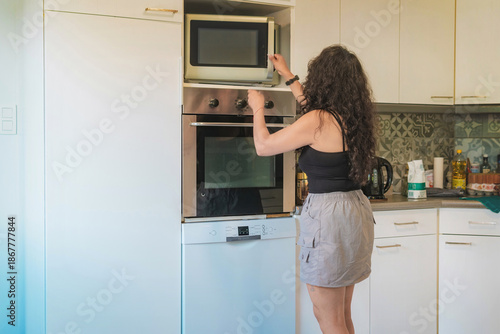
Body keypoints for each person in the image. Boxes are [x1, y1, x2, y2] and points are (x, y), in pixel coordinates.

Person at [247, 45, 376, 334]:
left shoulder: (317, 120)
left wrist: (257, 107)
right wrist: (288, 76)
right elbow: (312, 110)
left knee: (327, 317)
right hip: (355, 211)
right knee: (341, 314)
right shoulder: (352, 118)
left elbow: (264, 146)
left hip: (328, 218)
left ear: (323, 79)